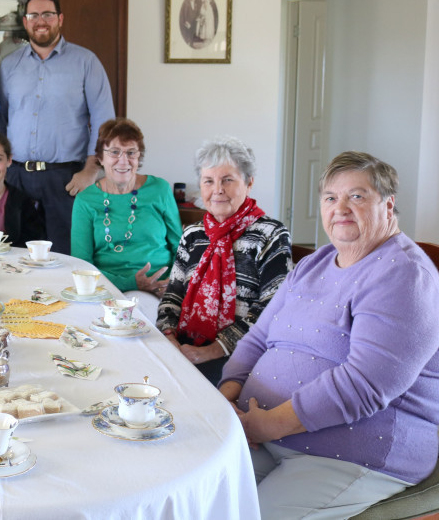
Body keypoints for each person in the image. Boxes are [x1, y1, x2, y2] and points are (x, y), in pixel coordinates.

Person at [219, 151, 439, 519]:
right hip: (265, 434)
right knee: (197, 491)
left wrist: (268, 424)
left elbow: (364, 383)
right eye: (330, 198)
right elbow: (257, 339)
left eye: (357, 196)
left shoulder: (404, 275)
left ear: (389, 203)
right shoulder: (314, 263)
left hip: (353, 454)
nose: (341, 208)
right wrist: (226, 403)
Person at [156, 136, 292, 385]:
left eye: (227, 180)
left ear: (249, 183)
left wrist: (211, 351)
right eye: (209, 181)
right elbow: (173, 294)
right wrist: (169, 337)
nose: (217, 189)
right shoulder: (193, 234)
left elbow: (272, 309)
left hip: (242, 357)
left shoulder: (270, 234)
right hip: (185, 349)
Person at [0, 0, 114, 254]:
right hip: (16, 177)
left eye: (48, 14)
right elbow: (0, 120)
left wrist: (90, 170)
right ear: (25, 22)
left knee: (65, 255)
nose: (41, 21)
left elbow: (104, 121)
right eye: (34, 15)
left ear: (60, 19)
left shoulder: (86, 62)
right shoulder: (9, 66)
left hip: (67, 178)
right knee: (14, 255)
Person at [71, 119, 181, 318]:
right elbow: (82, 265)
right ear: (100, 158)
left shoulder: (160, 190)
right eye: (114, 152)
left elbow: (181, 249)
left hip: (160, 291)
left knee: (136, 314)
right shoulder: (85, 201)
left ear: (139, 157)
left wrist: (173, 286)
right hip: (105, 289)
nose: (123, 161)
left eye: (131, 153)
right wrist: (131, 282)